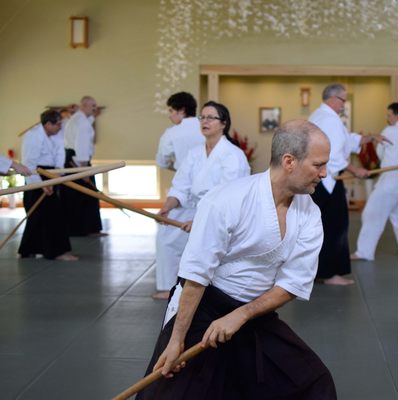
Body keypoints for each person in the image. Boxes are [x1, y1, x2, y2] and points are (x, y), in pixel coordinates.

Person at [136, 120, 337, 399]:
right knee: (174, 393)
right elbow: (195, 276)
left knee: (314, 383)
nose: (325, 173)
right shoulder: (227, 201)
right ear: (289, 161)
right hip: (203, 305)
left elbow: (292, 284)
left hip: (255, 311)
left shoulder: (310, 215)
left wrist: (240, 315)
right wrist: (176, 340)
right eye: (318, 164)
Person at [153, 101, 250, 300]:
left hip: (222, 213)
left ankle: (204, 288)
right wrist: (167, 208)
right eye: (202, 117)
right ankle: (169, 286)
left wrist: (199, 220)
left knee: (205, 244)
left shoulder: (233, 155)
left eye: (210, 118)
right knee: (166, 232)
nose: (204, 121)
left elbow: (227, 196)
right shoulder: (195, 153)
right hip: (194, 206)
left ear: (223, 123)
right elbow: (181, 185)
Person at [309, 83, 387, 285]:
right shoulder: (329, 120)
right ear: (334, 98)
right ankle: (330, 274)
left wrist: (369, 137)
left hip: (320, 181)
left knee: (322, 226)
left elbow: (347, 140)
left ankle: (319, 272)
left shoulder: (320, 116)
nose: (344, 105)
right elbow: (333, 155)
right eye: (343, 100)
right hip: (328, 181)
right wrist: (356, 170)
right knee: (335, 226)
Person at [352, 102, 398, 261]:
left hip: (390, 181)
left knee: (372, 215)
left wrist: (378, 144)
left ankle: (364, 252)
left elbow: (381, 155)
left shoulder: (390, 131)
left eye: (389, 115)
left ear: (397, 116)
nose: (387, 118)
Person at [18, 110, 78, 261]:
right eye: (57, 124)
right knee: (43, 215)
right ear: (48, 124)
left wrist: (57, 173)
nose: (60, 127)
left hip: (51, 174)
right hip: (35, 176)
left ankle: (32, 249)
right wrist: (41, 184)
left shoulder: (56, 133)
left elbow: (59, 153)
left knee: (48, 215)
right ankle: (54, 252)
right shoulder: (33, 136)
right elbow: (29, 164)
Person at [62, 95, 104, 236]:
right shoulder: (82, 122)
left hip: (72, 160)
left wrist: (93, 117)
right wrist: (84, 170)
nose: (95, 108)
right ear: (84, 106)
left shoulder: (78, 119)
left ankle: (78, 229)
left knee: (76, 196)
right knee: (86, 196)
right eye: (92, 105)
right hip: (78, 162)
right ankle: (88, 229)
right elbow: (81, 145)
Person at [156, 92, 204, 171]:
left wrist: (180, 169)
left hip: (184, 181)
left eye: (171, 111)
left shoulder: (170, 133)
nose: (169, 115)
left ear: (182, 110)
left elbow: (162, 162)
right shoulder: (209, 127)